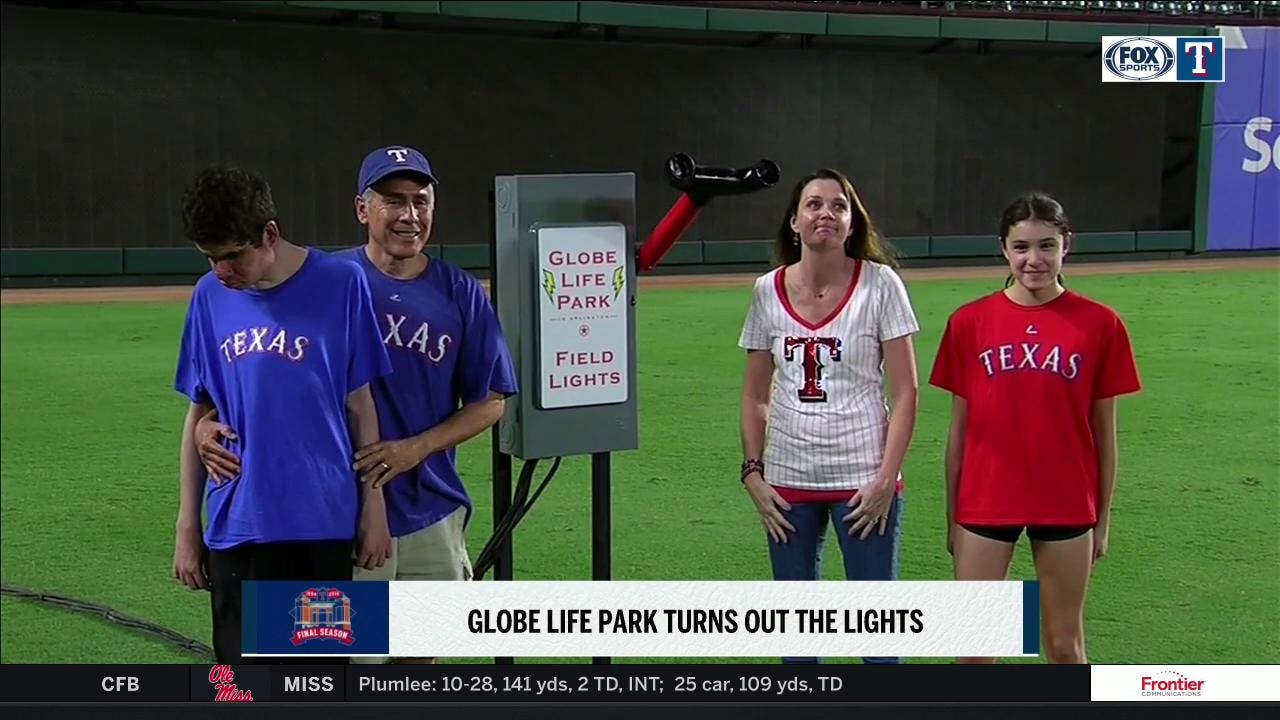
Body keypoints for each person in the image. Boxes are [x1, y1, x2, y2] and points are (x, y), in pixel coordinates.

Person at [194, 146, 518, 664]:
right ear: (362, 209)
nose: (409, 215)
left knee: (417, 665)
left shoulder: (458, 292)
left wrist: (415, 449)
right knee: (349, 667)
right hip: (342, 515)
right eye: (393, 201)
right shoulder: (322, 282)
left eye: (421, 201)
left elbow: (491, 401)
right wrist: (205, 426)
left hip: (430, 506)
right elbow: (258, 376)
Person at [170, 163, 394, 664]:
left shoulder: (342, 284)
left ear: (270, 234)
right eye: (210, 259)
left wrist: (373, 507)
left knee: (318, 680)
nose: (220, 272)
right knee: (241, 685)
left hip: (323, 520)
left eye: (231, 257)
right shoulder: (209, 297)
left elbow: (361, 404)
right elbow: (197, 413)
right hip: (238, 522)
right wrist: (188, 526)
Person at [928, 191, 1142, 664]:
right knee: (974, 650)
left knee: (1063, 642)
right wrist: (953, 518)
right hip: (986, 500)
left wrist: (1102, 520)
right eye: (1021, 247)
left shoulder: (1099, 324)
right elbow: (959, 433)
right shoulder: (969, 322)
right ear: (1004, 249)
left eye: (1047, 245)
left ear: (1067, 244)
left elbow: (1104, 434)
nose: (1034, 259)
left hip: (1065, 499)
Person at [737, 168, 921, 665]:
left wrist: (886, 479)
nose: (827, 213)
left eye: (839, 206)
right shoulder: (766, 291)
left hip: (864, 484)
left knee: (878, 640)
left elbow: (906, 392)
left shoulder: (880, 285)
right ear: (794, 221)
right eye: (814, 204)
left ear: (851, 222)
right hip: (787, 482)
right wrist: (752, 472)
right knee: (797, 643)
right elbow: (755, 395)